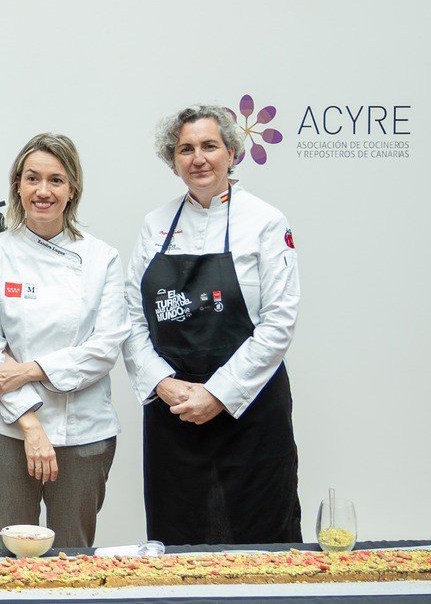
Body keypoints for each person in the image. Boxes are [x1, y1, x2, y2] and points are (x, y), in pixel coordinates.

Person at [123, 104, 301, 545]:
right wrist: (163, 384)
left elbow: (279, 322)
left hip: (250, 411)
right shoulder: (156, 224)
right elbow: (129, 316)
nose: (198, 158)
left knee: (260, 542)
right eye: (186, 149)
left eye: (209, 146)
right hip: (175, 413)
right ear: (173, 160)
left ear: (232, 153)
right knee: (178, 539)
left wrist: (219, 393)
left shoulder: (265, 221)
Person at [0, 133, 127, 548]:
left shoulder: (101, 258)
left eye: (56, 180)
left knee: (72, 556)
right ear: (17, 185)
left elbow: (104, 348)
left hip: (83, 432)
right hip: (7, 430)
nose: (43, 191)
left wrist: (29, 371)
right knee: (11, 554)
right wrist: (31, 425)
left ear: (72, 188)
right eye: (32, 179)